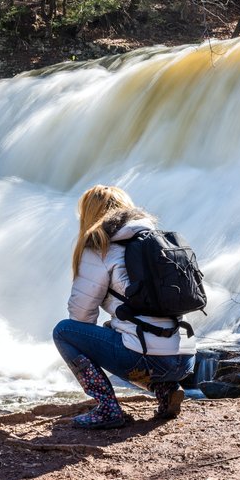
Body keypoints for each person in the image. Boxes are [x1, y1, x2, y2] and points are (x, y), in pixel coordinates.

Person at [53, 184, 196, 429]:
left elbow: (80, 316)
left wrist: (94, 344)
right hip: (185, 358)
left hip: (146, 357)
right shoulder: (157, 242)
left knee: (64, 331)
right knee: (119, 331)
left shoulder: (101, 248)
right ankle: (166, 389)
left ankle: (107, 407)